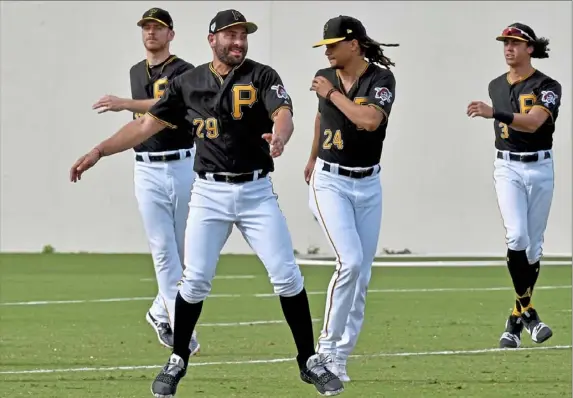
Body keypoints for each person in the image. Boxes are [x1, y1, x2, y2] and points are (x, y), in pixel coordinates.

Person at [70, 9, 344, 398]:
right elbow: (144, 126)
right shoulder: (187, 82)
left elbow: (283, 113)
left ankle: (308, 361)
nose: (238, 42)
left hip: (255, 190)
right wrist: (99, 150)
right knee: (194, 280)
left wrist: (280, 137)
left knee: (286, 275)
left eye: (243, 35)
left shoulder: (262, 74)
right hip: (209, 193)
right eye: (230, 35)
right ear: (211, 39)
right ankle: (178, 357)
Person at [90, 7, 200, 355]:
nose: (150, 33)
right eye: (146, 28)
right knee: (164, 251)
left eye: (158, 28)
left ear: (171, 34)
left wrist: (125, 103)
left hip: (183, 163)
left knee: (188, 254)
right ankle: (178, 327)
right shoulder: (137, 70)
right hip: (147, 166)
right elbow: (143, 122)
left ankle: (157, 311)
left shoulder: (185, 71)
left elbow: (170, 105)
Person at [306, 15, 397, 382]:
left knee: (361, 275)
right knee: (351, 260)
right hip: (330, 180)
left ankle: (341, 356)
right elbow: (320, 119)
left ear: (354, 44)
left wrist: (332, 94)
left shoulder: (380, 79)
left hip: (368, 184)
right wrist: (312, 157)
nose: (327, 51)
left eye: (333, 44)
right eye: (324, 46)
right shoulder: (325, 77)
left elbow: (370, 120)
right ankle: (325, 349)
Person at [467, 23, 561, 348]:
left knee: (534, 248)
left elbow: (535, 122)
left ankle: (515, 319)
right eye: (505, 43)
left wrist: (495, 113)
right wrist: (496, 111)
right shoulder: (496, 84)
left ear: (530, 48)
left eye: (515, 43)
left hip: (541, 166)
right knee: (517, 236)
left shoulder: (548, 85)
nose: (509, 48)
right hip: (507, 166)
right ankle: (530, 315)